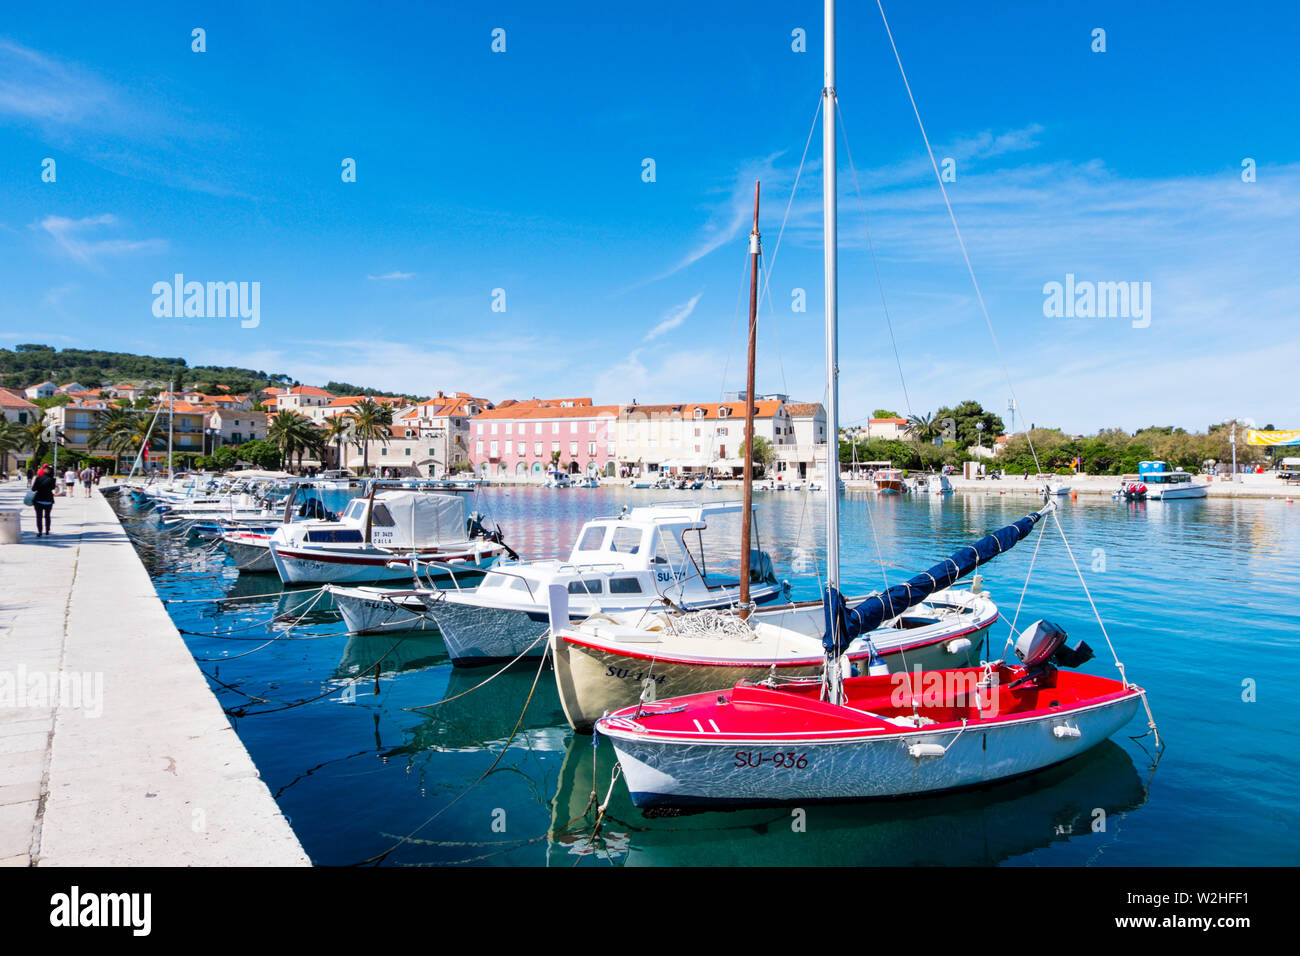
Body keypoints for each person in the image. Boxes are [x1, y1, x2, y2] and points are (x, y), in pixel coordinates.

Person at [31, 464, 57, 537]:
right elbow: (53, 488)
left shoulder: (38, 478)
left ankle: (40, 531)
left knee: (39, 517)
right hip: (48, 499)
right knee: (47, 516)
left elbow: (33, 489)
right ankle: (47, 530)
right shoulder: (53, 480)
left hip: (38, 499)